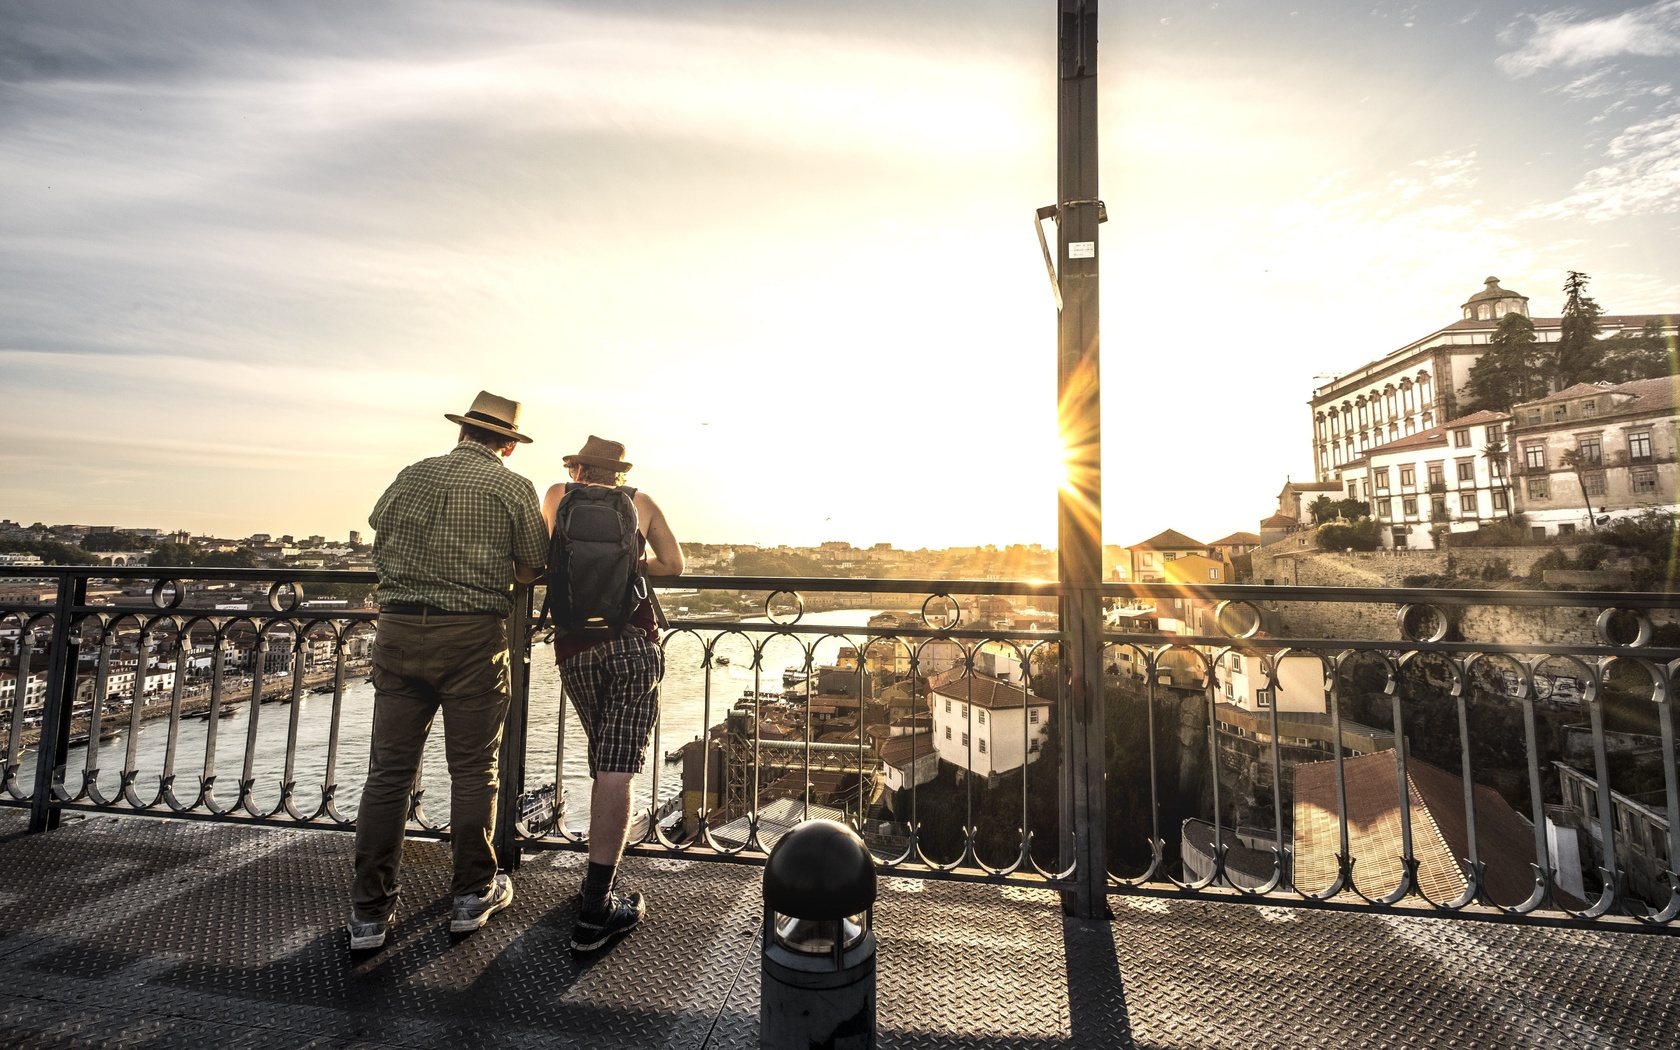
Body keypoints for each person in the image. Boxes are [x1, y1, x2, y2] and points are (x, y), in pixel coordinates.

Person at [347, 391, 548, 951]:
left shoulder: (412, 474)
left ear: (462, 432)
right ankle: (470, 894)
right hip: (471, 638)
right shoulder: (511, 486)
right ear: (508, 443)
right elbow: (533, 567)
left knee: (388, 774)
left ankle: (369, 912)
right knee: (472, 769)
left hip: (396, 629)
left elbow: (378, 532)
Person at [543, 435, 683, 952]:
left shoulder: (558, 496)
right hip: (631, 642)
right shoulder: (640, 504)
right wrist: (632, 567)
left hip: (575, 648)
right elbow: (675, 565)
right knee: (618, 764)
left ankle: (598, 878)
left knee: (602, 755)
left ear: (579, 470)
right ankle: (596, 904)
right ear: (618, 473)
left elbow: (544, 560)